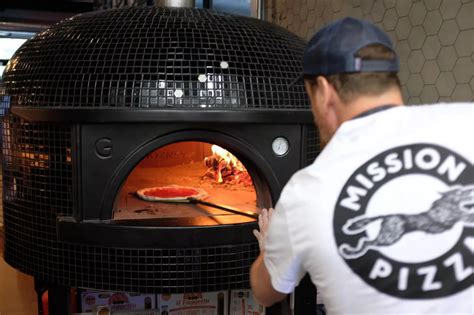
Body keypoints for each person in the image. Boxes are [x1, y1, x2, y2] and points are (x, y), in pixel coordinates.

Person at [250, 17, 473, 314]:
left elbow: (265, 292)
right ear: (391, 79)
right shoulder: (467, 122)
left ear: (325, 91)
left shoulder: (308, 191)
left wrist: (269, 248)